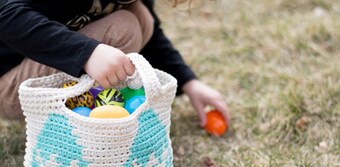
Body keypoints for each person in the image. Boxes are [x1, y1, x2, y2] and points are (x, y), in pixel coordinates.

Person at [0, 0, 229, 128]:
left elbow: (154, 35)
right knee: (123, 27)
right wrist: (87, 53)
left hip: (36, 68)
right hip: (10, 84)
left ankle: (91, 115)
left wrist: (189, 82)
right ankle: (83, 128)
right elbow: (6, 14)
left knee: (140, 15)